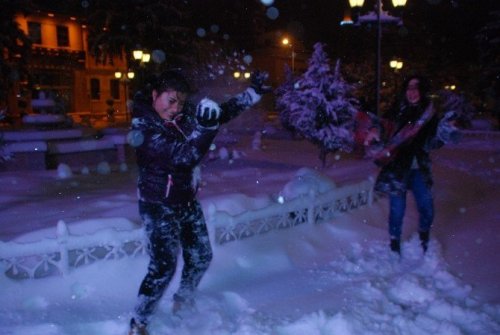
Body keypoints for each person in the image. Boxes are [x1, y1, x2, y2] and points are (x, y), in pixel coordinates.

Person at [127, 69, 270, 335]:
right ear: (155, 95)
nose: (176, 108)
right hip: (158, 205)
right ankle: (139, 321)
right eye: (170, 100)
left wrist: (251, 94)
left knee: (201, 256)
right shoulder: (143, 129)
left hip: (186, 201)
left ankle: (183, 299)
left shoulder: (181, 115)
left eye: (180, 102)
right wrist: (205, 130)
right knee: (163, 268)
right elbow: (184, 157)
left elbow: (219, 113)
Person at [365, 74, 460, 255]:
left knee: (426, 207)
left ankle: (424, 234)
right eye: (409, 88)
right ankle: (394, 241)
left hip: (419, 169)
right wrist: (375, 130)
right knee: (397, 210)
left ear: (422, 91)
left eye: (416, 88)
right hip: (397, 167)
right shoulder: (396, 110)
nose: (412, 92)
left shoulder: (429, 114)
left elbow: (433, 143)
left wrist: (444, 133)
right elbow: (383, 126)